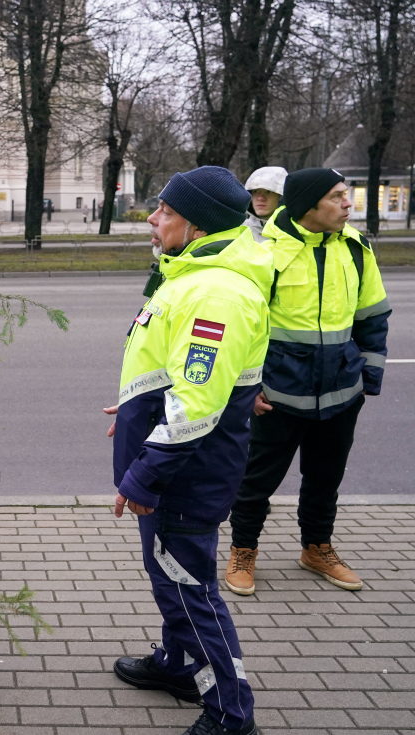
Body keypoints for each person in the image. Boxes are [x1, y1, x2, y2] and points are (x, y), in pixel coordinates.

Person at [105, 166, 271, 735]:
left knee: (189, 588)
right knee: (169, 576)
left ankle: (229, 712)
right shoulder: (197, 273)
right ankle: (178, 666)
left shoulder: (215, 291)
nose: (153, 219)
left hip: (183, 473)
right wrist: (133, 411)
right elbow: (180, 377)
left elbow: (196, 404)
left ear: (196, 226)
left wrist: (145, 473)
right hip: (178, 461)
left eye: (165, 212)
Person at [225, 168, 391, 596]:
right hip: (276, 395)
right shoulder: (263, 252)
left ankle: (317, 548)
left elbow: (372, 316)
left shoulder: (357, 248)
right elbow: (242, 324)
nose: (348, 204)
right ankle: (243, 550)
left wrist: (368, 378)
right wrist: (248, 388)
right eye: (337, 197)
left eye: (346, 196)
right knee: (256, 480)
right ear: (308, 205)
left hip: (341, 391)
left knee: (325, 477)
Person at [242, 167, 288, 242]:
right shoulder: (240, 231)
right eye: (256, 191)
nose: (260, 198)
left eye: (268, 192)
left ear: (282, 197)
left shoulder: (297, 231)